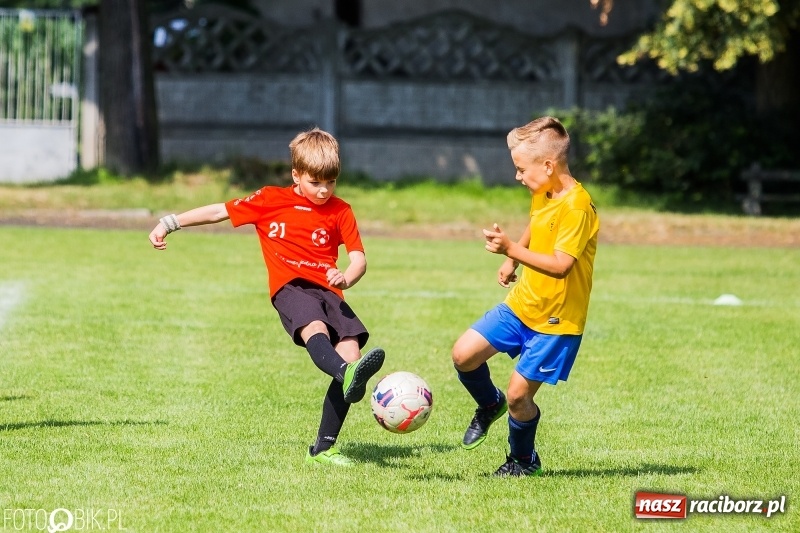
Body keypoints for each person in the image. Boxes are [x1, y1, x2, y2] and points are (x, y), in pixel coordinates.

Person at [148, 127, 385, 467]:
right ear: (296, 175)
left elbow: (359, 258)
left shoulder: (341, 210)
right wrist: (169, 223)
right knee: (316, 330)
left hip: (330, 290)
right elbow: (219, 211)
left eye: (330, 182)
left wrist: (345, 277)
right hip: (291, 287)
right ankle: (347, 375)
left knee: (351, 356)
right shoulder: (271, 199)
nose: (323, 190)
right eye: (315, 182)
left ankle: (323, 448)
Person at [451, 116, 599, 477]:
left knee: (520, 395)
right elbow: (538, 220)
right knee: (463, 355)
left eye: (521, 169)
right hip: (523, 303)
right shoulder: (544, 189)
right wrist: (516, 254)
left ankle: (522, 460)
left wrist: (512, 251)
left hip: (557, 321)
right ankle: (489, 404)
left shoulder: (578, 207)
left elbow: (562, 265)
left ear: (548, 165)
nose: (517, 176)